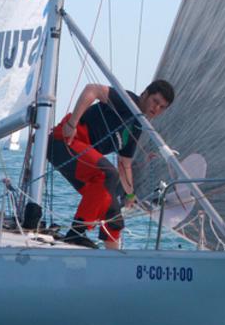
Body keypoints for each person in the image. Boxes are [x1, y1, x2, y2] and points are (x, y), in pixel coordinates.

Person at [48, 80, 174, 249]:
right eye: (155, 101)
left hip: (81, 158)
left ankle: (113, 262)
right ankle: (76, 234)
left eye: (162, 107)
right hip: (64, 141)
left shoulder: (137, 126)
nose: (156, 108)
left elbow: (125, 164)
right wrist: (72, 124)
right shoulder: (128, 100)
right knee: (108, 174)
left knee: (113, 213)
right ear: (145, 94)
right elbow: (92, 89)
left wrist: (130, 195)